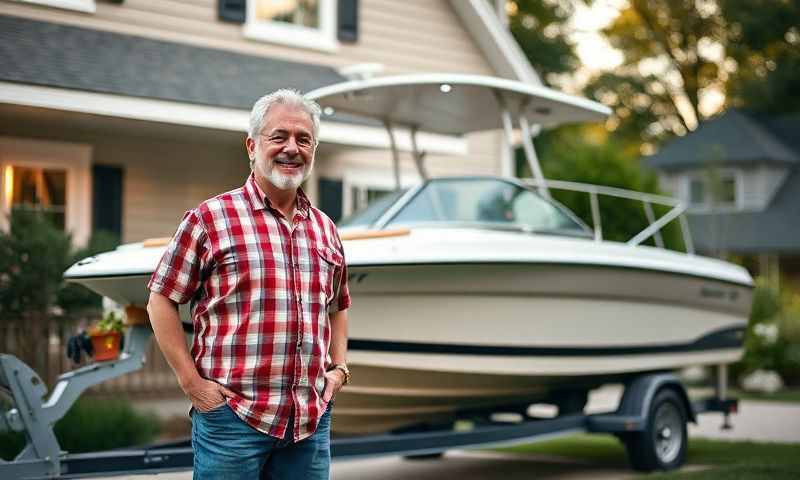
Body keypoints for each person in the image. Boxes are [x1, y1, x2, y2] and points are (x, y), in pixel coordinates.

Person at [146, 89, 350, 479]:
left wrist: (338, 370)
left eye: (303, 139)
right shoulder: (210, 219)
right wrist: (192, 385)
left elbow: (338, 306)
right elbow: (161, 299)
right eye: (279, 137)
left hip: (309, 422)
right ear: (252, 146)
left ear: (314, 149)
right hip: (232, 422)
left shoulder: (326, 230)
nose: (292, 148)